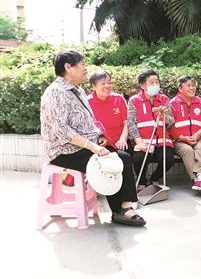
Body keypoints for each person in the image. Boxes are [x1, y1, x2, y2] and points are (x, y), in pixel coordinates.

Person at [40, 50, 146, 227]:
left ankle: (125, 205)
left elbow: (89, 121)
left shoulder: (77, 90)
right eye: (82, 64)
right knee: (109, 162)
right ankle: (120, 210)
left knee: (122, 157)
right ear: (68, 67)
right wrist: (92, 147)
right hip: (64, 151)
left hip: (83, 146)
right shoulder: (56, 93)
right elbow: (62, 130)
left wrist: (99, 137)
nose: (85, 68)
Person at [128, 70, 175, 189]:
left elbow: (171, 122)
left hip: (162, 139)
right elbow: (131, 123)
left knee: (168, 159)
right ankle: (142, 181)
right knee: (138, 159)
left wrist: (165, 116)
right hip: (143, 139)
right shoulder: (134, 100)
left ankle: (154, 178)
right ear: (142, 85)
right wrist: (138, 141)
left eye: (157, 82)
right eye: (151, 83)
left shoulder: (164, 99)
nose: (155, 85)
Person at [169, 75, 201, 191]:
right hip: (180, 140)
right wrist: (182, 138)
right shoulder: (172, 103)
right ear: (180, 89)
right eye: (188, 86)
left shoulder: (200, 102)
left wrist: (199, 133)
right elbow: (170, 126)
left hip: (196, 138)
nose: (192, 88)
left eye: (193, 86)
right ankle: (197, 181)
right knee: (188, 150)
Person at [87, 71, 129, 152]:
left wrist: (123, 139)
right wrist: (99, 137)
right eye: (103, 83)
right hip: (99, 144)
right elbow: (86, 127)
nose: (107, 86)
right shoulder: (87, 102)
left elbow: (127, 122)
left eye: (109, 83)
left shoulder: (119, 99)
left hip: (120, 142)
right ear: (94, 86)